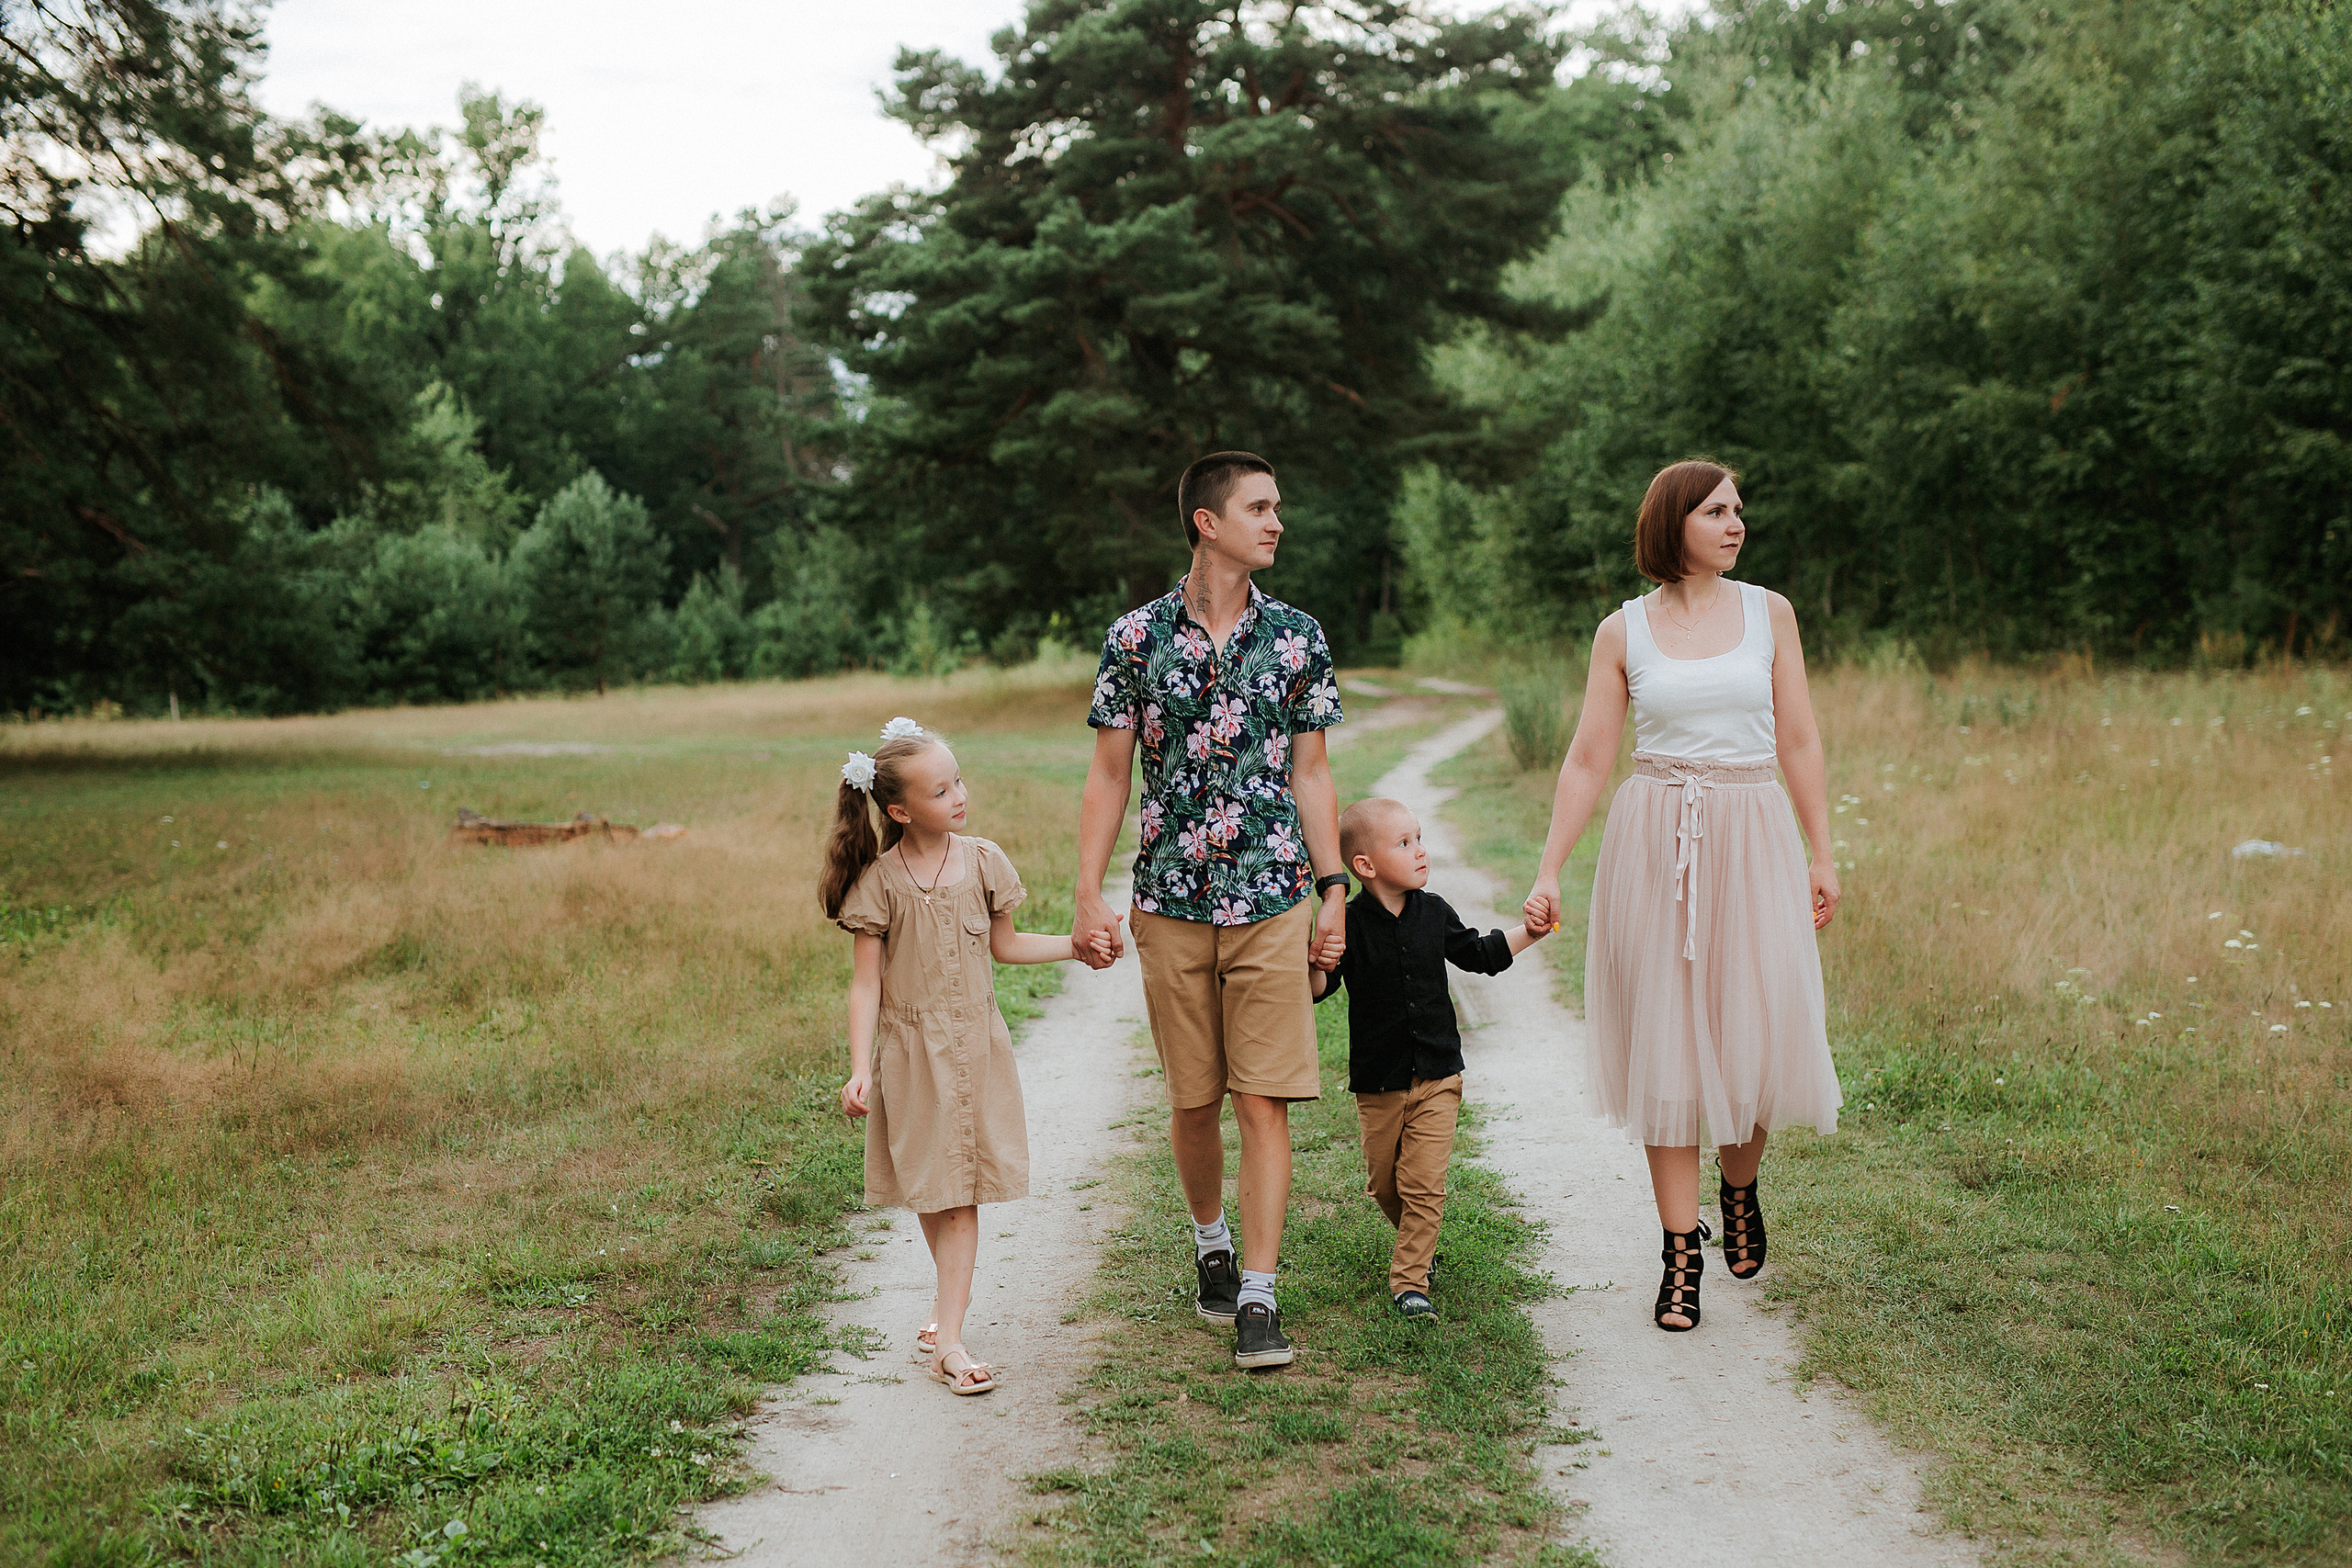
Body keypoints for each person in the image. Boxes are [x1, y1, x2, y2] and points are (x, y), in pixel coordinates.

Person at [1521, 459, 1844, 1333]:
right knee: (1667, 1037)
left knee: (1758, 1030)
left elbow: (1801, 738)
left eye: (1739, 510)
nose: (1736, 523)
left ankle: (1738, 1187)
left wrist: (1823, 851)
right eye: (1716, 510)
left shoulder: (1768, 613)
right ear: (1674, 523)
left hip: (1752, 827)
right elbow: (1590, 756)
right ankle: (1679, 1254)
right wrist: (1549, 868)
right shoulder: (1622, 631)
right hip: (1654, 834)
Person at [1073, 450, 1348, 1371]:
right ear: (1207, 522)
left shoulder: (1298, 637)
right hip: (1170, 902)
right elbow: (1111, 773)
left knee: (1261, 1098)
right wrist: (1087, 891)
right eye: (1260, 508)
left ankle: (1260, 1300)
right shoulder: (1135, 638)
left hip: (1271, 898)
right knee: (1195, 1101)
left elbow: (1311, 773)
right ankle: (1211, 1245)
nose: (1276, 522)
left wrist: (1332, 889)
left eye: (1277, 506)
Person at [821, 716, 1108, 1393]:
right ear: (899, 809)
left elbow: (1005, 946)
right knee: (930, 1184)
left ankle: (948, 1338)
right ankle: (951, 1300)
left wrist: (1075, 944)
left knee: (961, 1195)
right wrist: (860, 1065)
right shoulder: (880, 882)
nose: (959, 795)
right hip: (911, 1053)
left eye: (959, 782)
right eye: (941, 789)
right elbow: (867, 983)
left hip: (974, 1047)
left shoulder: (983, 860)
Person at [1313, 797, 1549, 1318]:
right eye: (1405, 843)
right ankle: (1417, 1244)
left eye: (1419, 838)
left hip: (1440, 1073)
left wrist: (1529, 932)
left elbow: (1479, 954)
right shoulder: (1349, 926)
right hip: (1379, 1081)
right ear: (1365, 867)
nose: (1421, 852)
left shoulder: (1434, 911)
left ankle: (1410, 1281)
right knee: (1385, 1184)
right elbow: (1317, 988)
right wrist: (1314, 957)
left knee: (1422, 1185)